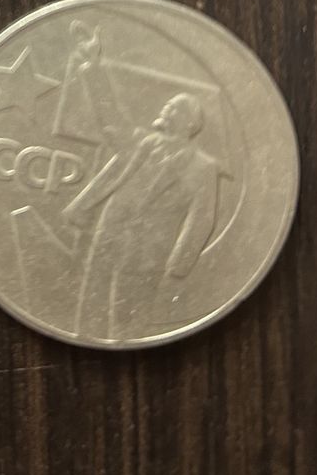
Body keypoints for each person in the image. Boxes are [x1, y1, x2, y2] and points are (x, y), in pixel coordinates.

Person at [63, 93, 220, 341]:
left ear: (190, 123)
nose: (166, 107)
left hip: (148, 251)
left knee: (129, 318)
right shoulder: (145, 143)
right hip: (109, 235)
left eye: (175, 107)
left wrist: (180, 264)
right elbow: (116, 169)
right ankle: (82, 344)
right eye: (167, 104)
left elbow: (201, 216)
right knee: (92, 304)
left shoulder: (204, 167)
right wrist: (81, 206)